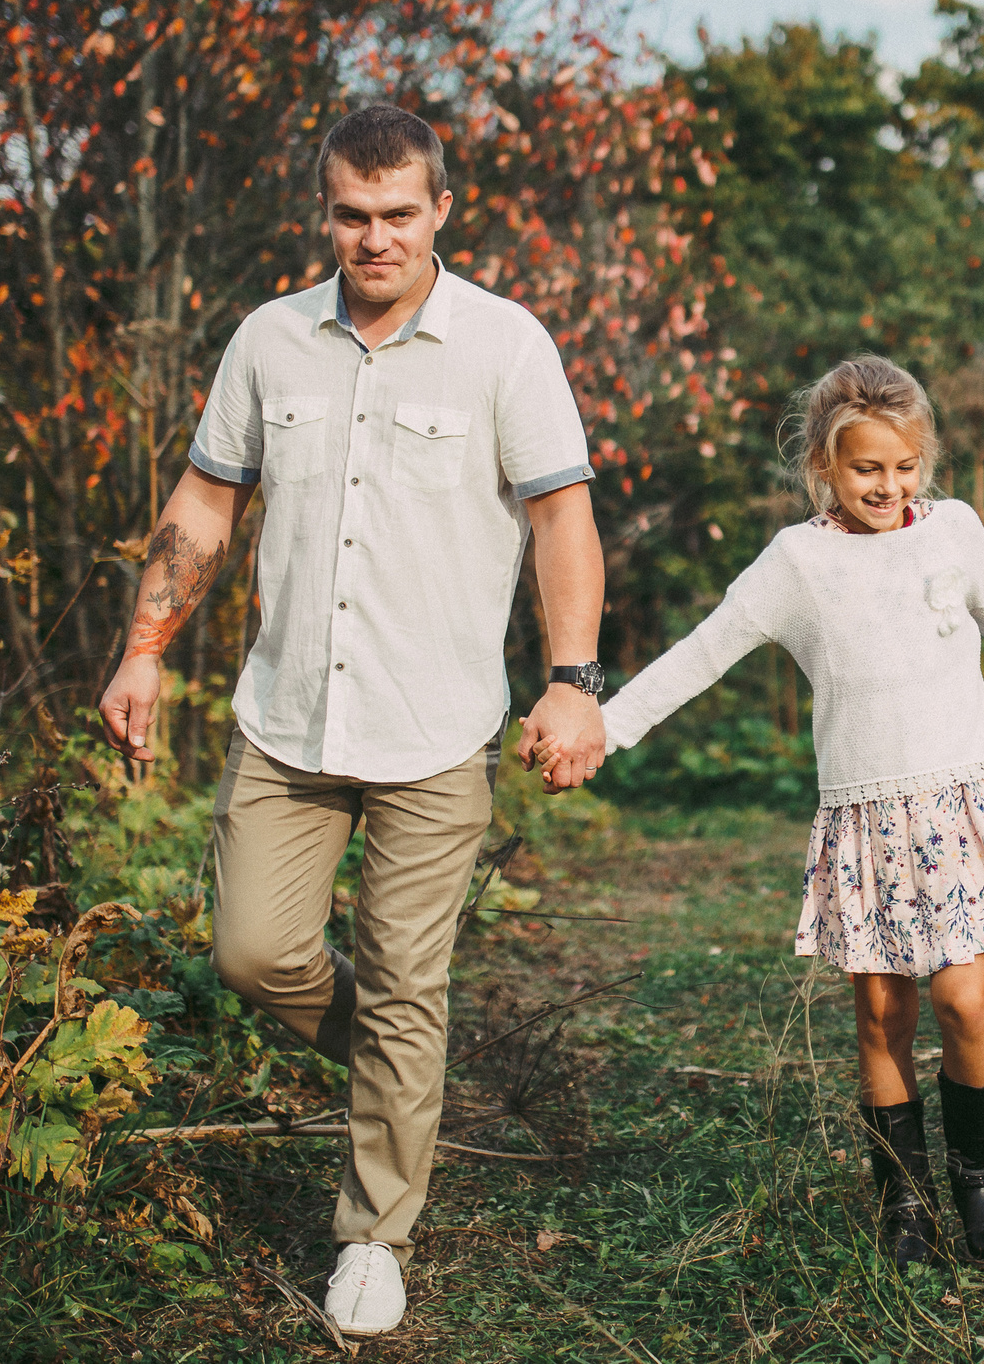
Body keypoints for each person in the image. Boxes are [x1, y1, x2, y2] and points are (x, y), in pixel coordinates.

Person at [96, 104, 610, 1337]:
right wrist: (142, 650)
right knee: (253, 955)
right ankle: (404, 1068)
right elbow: (206, 502)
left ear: (440, 210)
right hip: (287, 721)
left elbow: (560, 522)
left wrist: (572, 679)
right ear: (322, 212)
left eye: (396, 214)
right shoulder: (271, 339)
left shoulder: (506, 345)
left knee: (403, 983)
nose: (372, 237)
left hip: (436, 728)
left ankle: (374, 1233)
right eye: (349, 215)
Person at [585, 356, 984, 1269]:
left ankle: (978, 1183)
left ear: (923, 461)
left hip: (956, 801)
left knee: (966, 1000)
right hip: (865, 818)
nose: (887, 485)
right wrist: (601, 734)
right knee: (884, 1016)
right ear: (824, 467)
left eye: (903, 465)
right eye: (865, 469)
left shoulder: (954, 530)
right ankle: (902, 1198)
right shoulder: (795, 562)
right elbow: (697, 657)